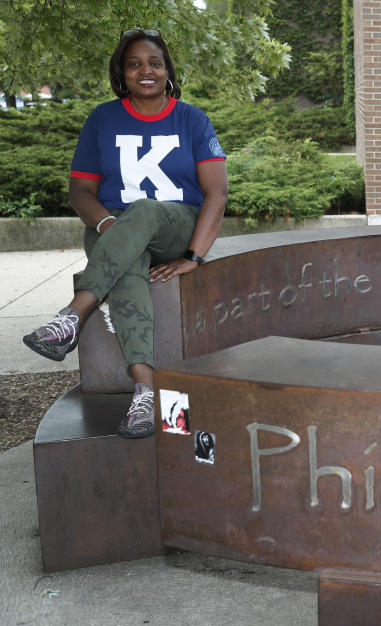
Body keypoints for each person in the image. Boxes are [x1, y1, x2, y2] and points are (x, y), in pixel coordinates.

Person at [22, 29, 228, 438]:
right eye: (134, 64)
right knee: (128, 270)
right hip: (110, 227)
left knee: (145, 210)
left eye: (154, 62)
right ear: (122, 72)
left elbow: (217, 192)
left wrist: (194, 257)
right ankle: (144, 393)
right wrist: (106, 224)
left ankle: (72, 315)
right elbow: (80, 190)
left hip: (174, 224)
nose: (145, 71)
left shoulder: (191, 119)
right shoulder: (103, 118)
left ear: (167, 70)